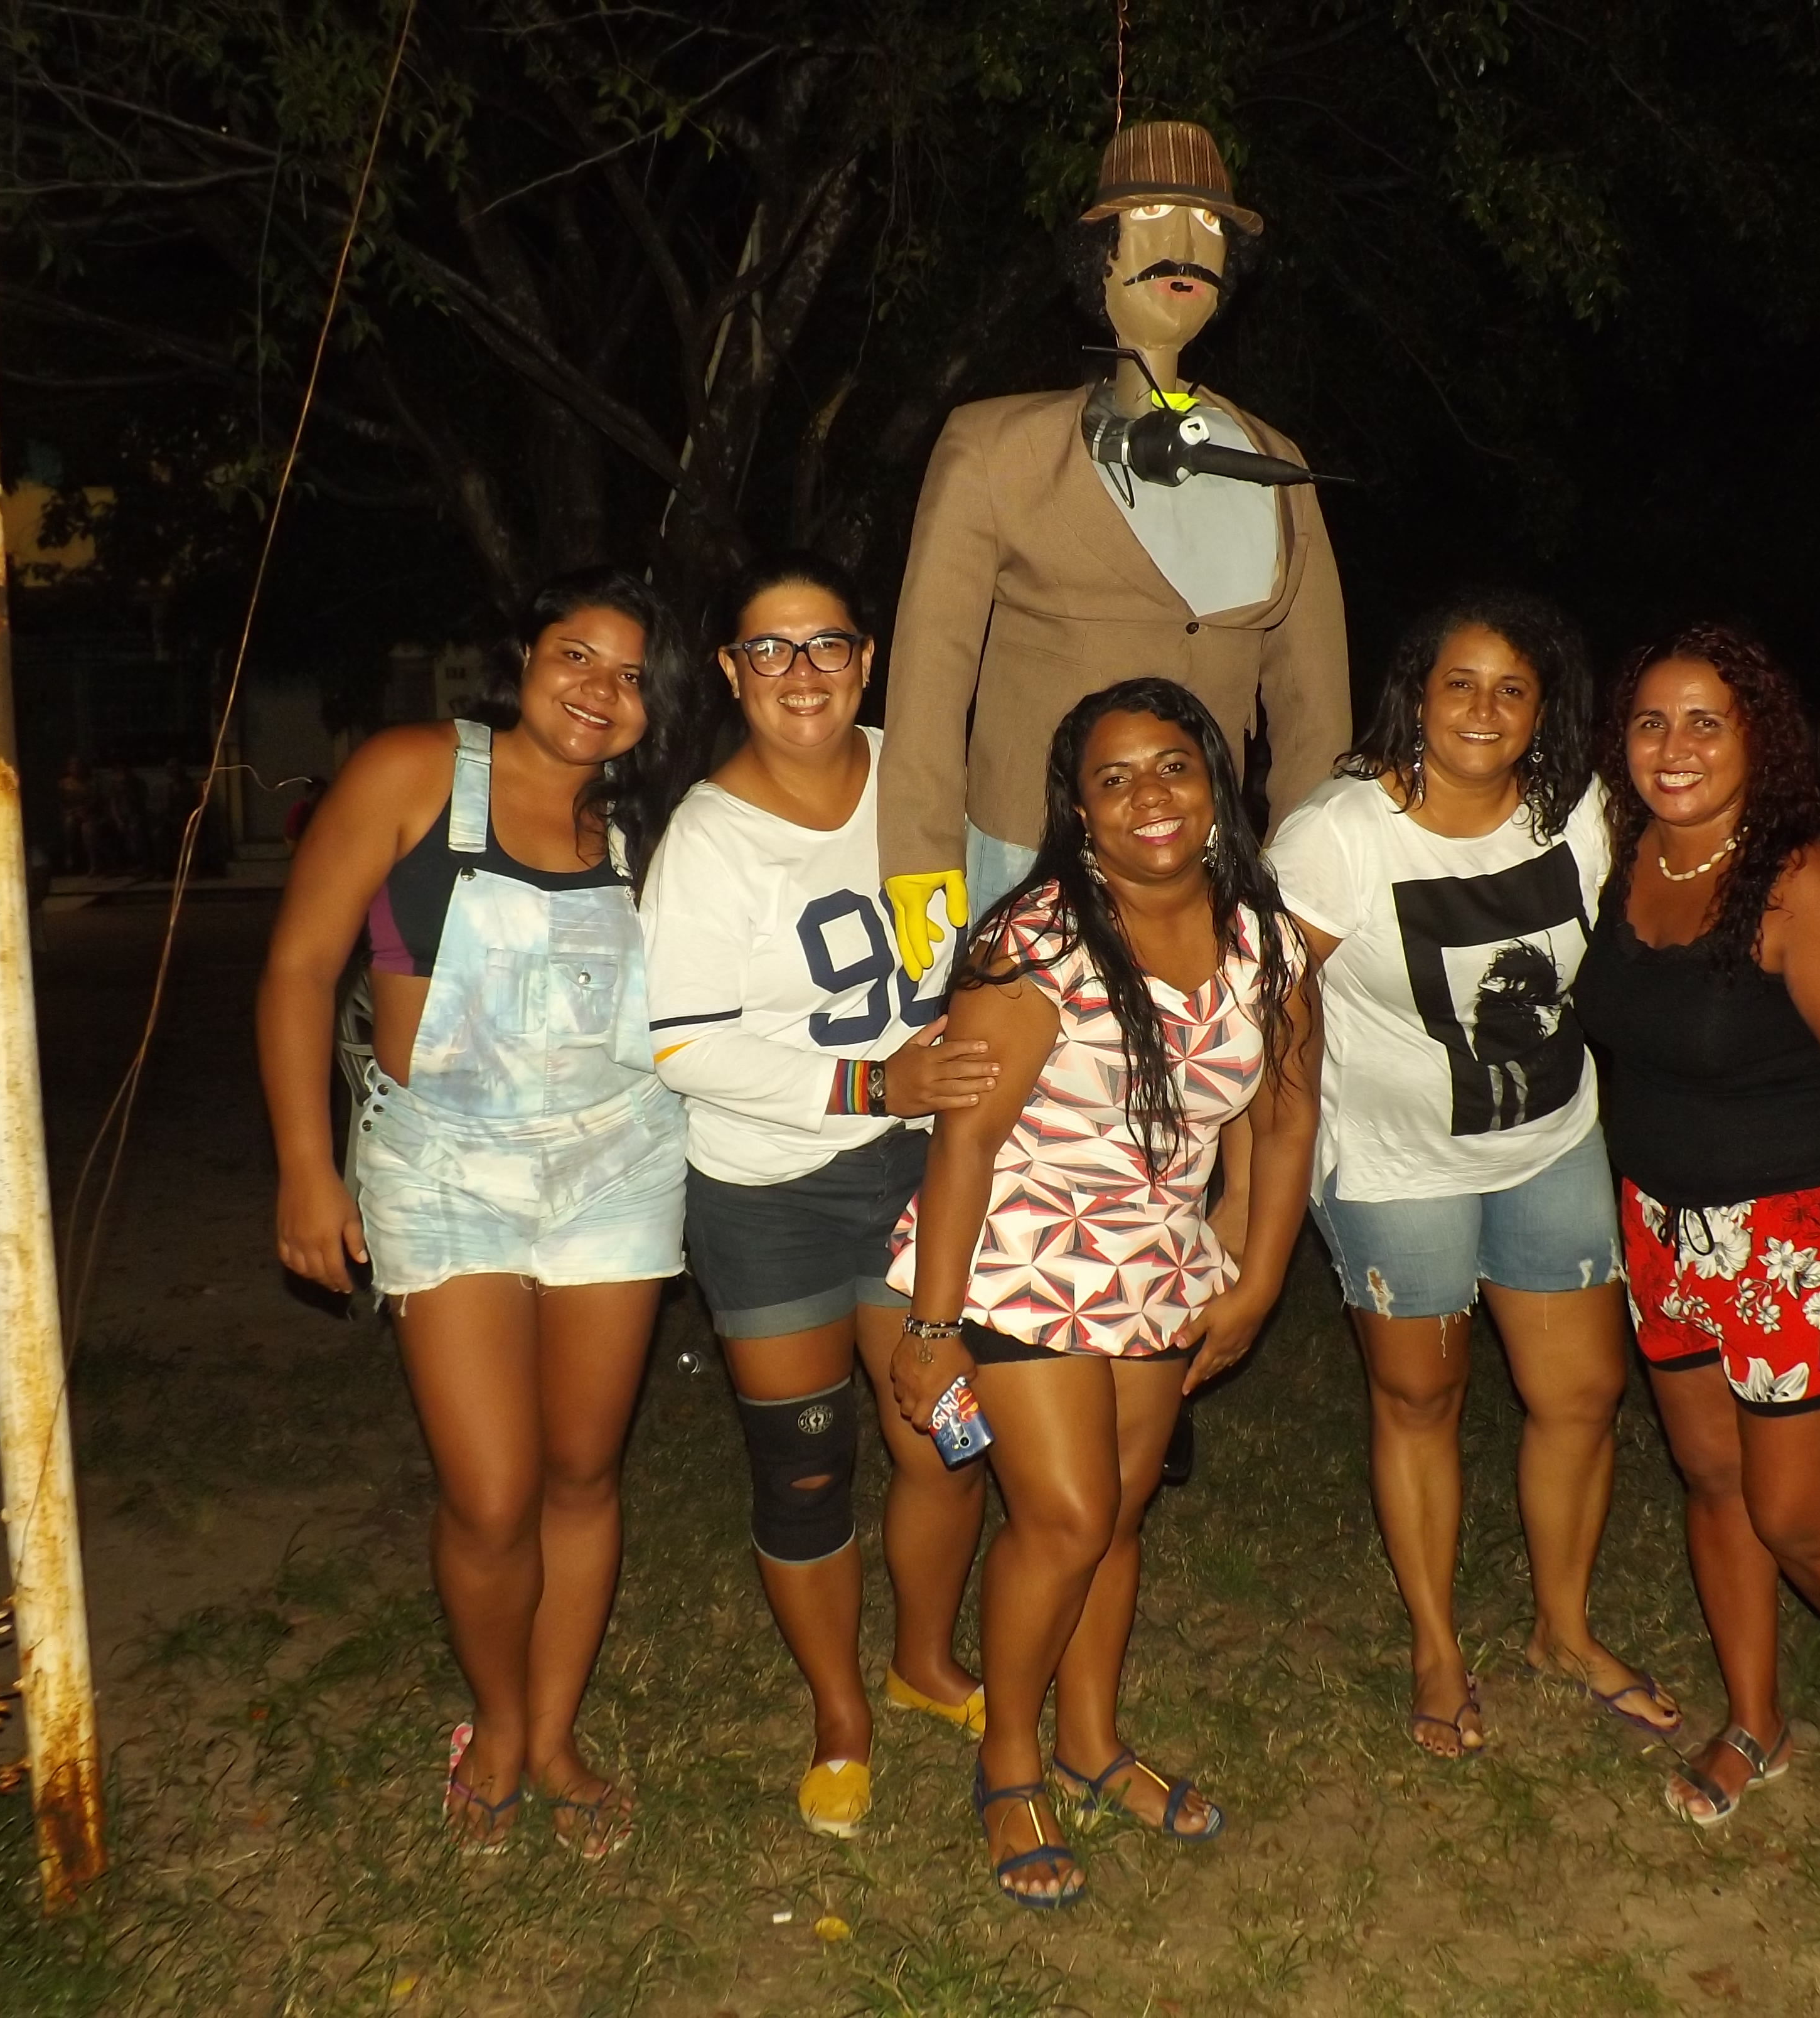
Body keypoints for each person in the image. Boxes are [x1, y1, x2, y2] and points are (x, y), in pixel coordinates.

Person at [257, 568, 704, 1855]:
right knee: (494, 1493)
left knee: (581, 1471)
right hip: (441, 1167)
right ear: (525, 657)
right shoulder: (412, 771)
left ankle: (549, 1738)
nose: (598, 691)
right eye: (575, 656)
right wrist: (304, 1165)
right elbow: (299, 967)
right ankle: (493, 1719)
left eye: (630, 676)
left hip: (620, 1164)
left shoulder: (649, 825)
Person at [884, 678, 1319, 1907]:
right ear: (1077, 811)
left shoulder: (1266, 941)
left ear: (1214, 784)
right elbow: (964, 1141)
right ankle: (1008, 1759)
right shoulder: (1035, 940)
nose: (1148, 798)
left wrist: (1256, 1274)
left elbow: (1285, 1121)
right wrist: (931, 1326)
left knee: (1117, 1519)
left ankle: (1089, 1743)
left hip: (1156, 1260)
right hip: (1019, 1252)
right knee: (1068, 1519)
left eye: (1171, 766)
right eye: (1112, 779)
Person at [1572, 622, 1820, 1828]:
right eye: (1650, 721)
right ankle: (1754, 1718)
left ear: (1759, 740)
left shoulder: (1806, 886)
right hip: (1662, 1228)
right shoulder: (1623, 861)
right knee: (1710, 1480)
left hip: (1804, 1235)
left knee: (1797, 1513)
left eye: (1706, 721)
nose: (1674, 746)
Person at [1265, 589, 1676, 1758]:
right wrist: (1264, 1176)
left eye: (1512, 689)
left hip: (1550, 1141)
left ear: (1544, 709)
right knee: (1420, 1400)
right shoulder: (1340, 834)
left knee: (1581, 1395)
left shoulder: (1579, 814)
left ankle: (1562, 1629)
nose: (1484, 710)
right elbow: (1273, 1008)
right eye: (1460, 684)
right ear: (1417, 694)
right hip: (1396, 1167)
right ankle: (1436, 1647)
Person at [642, 554, 1000, 1839]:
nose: (801, 672)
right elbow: (683, 1045)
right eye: (769, 648)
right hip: (768, 1192)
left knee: (946, 1436)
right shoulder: (708, 837)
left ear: (867, 657)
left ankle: (923, 1663)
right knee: (803, 1469)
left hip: (922, 1172)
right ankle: (838, 1718)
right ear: (731, 672)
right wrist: (872, 1081)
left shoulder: (928, 779)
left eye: (826, 643)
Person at [876, 121, 1348, 977]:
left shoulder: (1276, 463)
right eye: (1155, 216)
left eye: (1209, 226)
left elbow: (1313, 701)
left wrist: (1307, 866)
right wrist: (918, 844)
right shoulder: (997, 449)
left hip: (1207, 858)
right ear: (1098, 251)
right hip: (1027, 853)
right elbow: (932, 661)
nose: (1185, 246)